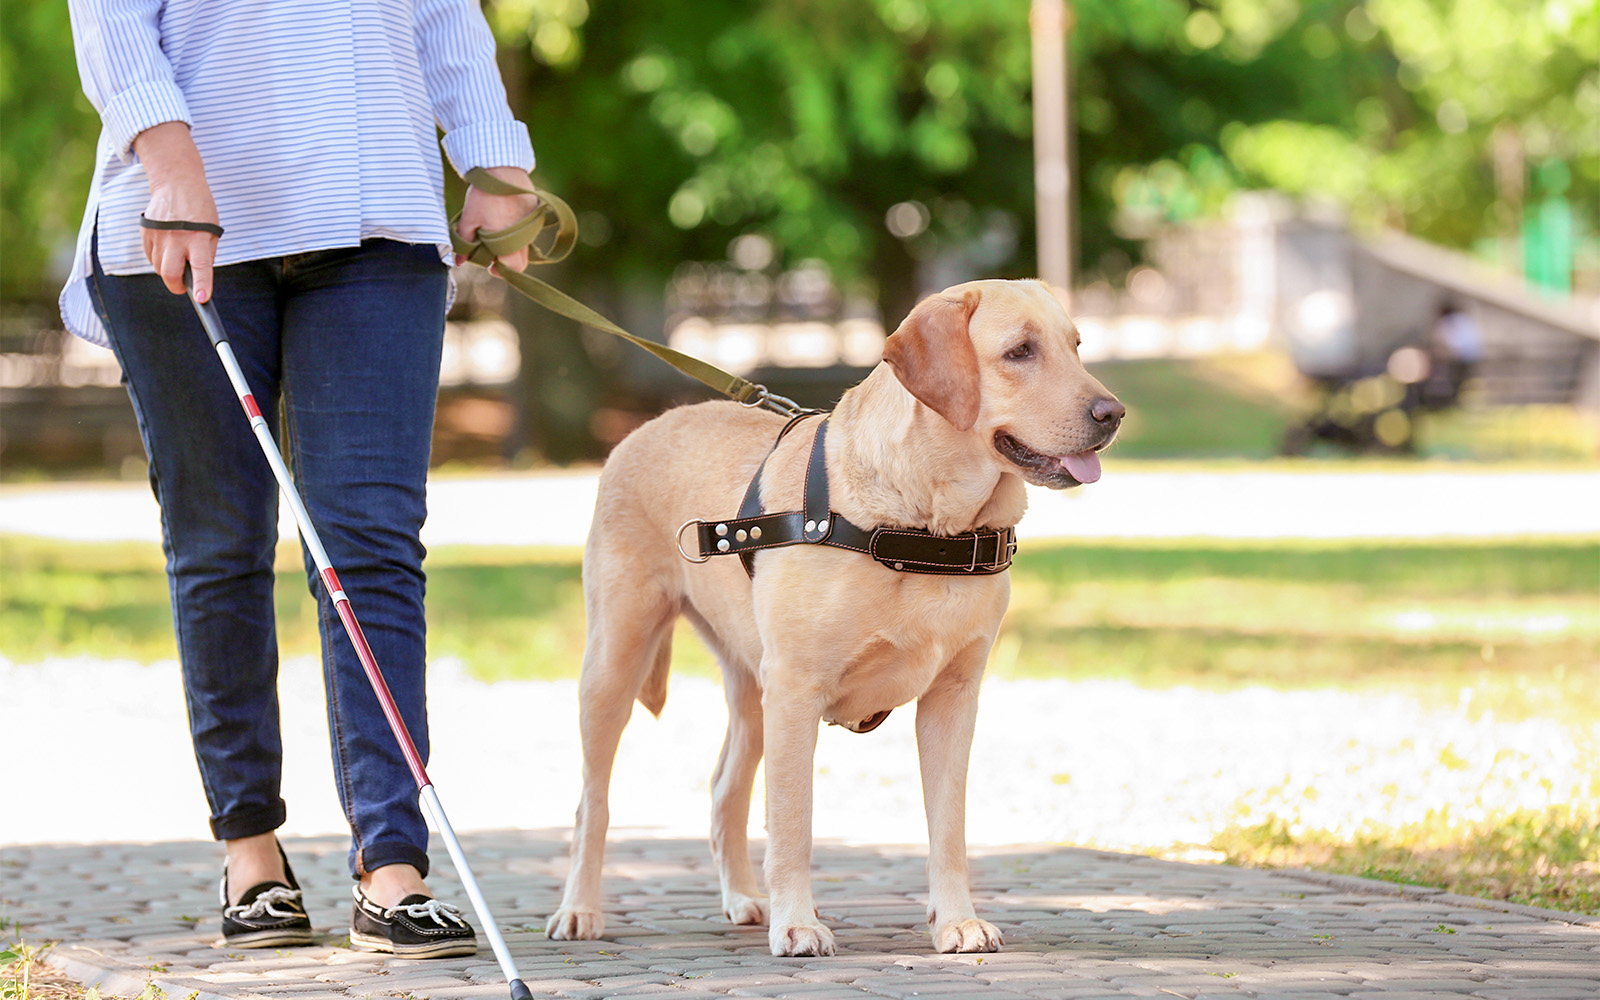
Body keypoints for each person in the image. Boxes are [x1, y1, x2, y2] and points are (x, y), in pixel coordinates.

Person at [62, 0, 539, 958]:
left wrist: (497, 162)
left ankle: (392, 867)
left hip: (378, 223)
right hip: (185, 217)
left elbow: (444, 13)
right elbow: (111, 18)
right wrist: (169, 159)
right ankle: (250, 853)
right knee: (220, 539)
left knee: (370, 543)